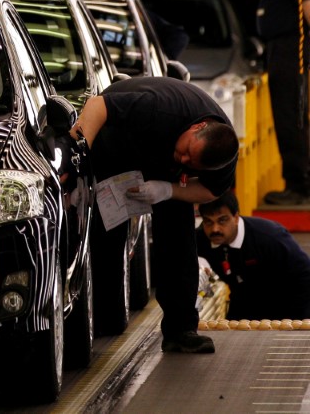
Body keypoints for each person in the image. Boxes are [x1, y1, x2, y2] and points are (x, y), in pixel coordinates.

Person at [70, 76, 238, 354]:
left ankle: (180, 330)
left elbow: (208, 191)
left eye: (191, 163)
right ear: (197, 127)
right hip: (116, 140)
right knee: (107, 234)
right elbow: (98, 106)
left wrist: (167, 190)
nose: (184, 159)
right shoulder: (159, 108)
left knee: (179, 240)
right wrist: (80, 161)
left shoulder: (220, 154)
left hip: (165, 172)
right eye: (186, 152)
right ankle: (101, 320)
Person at [256, 0, 310, 205]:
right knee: (292, 115)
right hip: (282, 48)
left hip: (290, 48)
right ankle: (301, 181)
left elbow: (307, 6)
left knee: (290, 117)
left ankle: (298, 185)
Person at [196, 190, 310, 320]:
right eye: (208, 221)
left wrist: (297, 323)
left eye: (222, 220)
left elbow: (305, 275)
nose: (215, 229)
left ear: (236, 218)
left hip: (285, 304)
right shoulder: (201, 239)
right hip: (244, 303)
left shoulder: (270, 238)